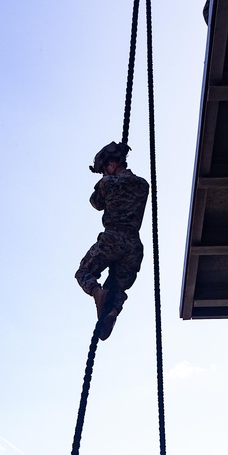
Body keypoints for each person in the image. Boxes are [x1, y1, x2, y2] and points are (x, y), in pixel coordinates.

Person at [75, 142, 150, 340]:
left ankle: (97, 292)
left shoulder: (108, 183)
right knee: (118, 287)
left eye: (103, 170)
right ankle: (113, 312)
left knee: (83, 272)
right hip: (134, 245)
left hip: (112, 238)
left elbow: (95, 203)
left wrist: (105, 182)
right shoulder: (143, 185)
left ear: (111, 164)